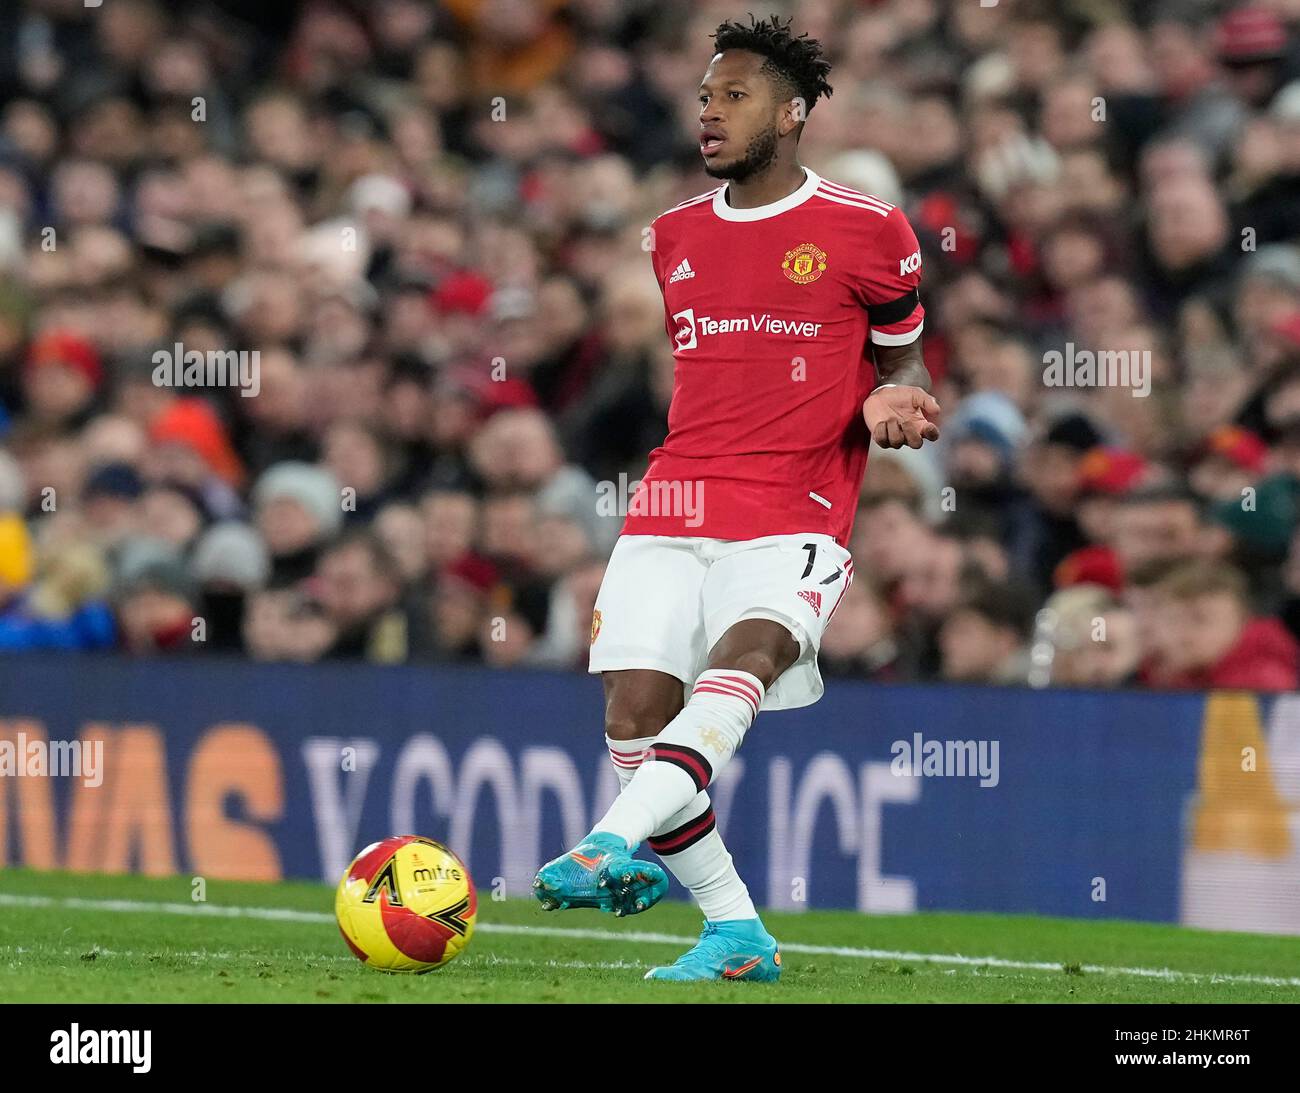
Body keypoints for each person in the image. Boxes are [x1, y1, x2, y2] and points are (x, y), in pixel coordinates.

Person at [531, 15, 939, 983]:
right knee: (633, 713)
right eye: (704, 96)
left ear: (791, 112)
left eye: (734, 96)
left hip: (794, 509)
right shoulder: (671, 235)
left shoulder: (867, 228)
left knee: (744, 658)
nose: (709, 113)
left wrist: (891, 392)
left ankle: (601, 845)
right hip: (673, 502)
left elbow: (905, 353)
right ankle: (737, 932)